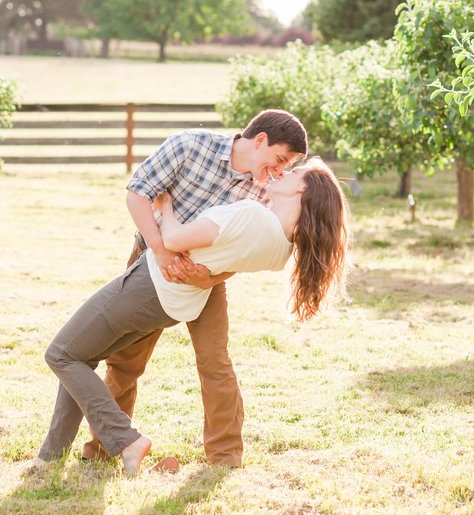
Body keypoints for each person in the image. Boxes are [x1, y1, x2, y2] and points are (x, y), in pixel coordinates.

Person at [35, 157, 350, 474]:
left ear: (302, 189)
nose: (285, 172)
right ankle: (50, 456)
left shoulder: (251, 215)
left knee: (61, 354)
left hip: (150, 286)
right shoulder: (280, 250)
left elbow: (172, 239)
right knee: (80, 355)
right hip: (175, 303)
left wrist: (166, 204)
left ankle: (125, 439)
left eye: (295, 172)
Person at [83, 109, 308, 468]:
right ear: (260, 140)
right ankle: (106, 446)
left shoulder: (265, 189)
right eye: (280, 159)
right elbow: (137, 193)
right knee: (126, 362)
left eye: (287, 166)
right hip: (150, 265)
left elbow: (245, 248)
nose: (279, 170)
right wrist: (160, 252)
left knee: (215, 362)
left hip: (207, 279)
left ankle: (225, 458)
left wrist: (211, 279)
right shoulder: (190, 145)